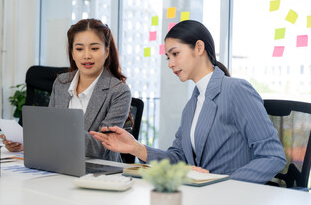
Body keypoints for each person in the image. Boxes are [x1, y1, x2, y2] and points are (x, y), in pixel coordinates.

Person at [90, 20, 287, 183]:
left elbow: (273, 156)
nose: (170, 64)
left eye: (175, 54)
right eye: (168, 57)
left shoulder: (235, 90)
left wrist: (225, 184)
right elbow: (178, 158)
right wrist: (136, 148)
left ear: (199, 47)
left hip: (231, 199)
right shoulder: (192, 105)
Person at [3, 18, 132, 162]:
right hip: (59, 165)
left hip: (100, 173)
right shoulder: (61, 83)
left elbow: (101, 147)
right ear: (72, 52)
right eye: (79, 49)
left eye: (94, 48)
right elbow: (50, 131)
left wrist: (57, 133)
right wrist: (24, 144)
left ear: (107, 51)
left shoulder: (119, 91)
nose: (86, 55)